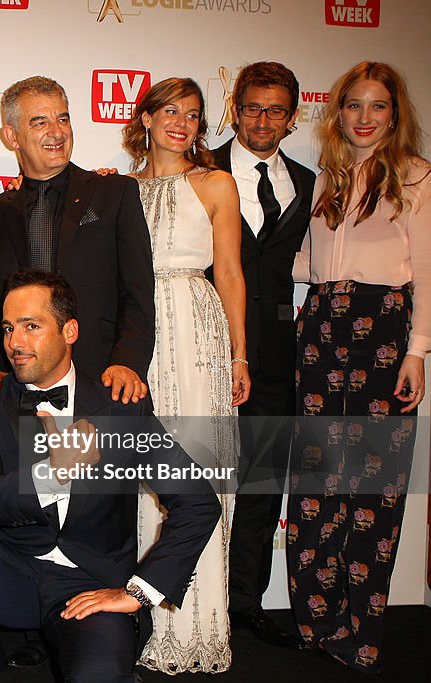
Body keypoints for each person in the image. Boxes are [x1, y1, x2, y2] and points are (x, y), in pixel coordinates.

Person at [0, 269, 220, 683]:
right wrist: (52, 475)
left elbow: (199, 502)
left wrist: (137, 592)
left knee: (97, 675)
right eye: (8, 328)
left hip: (90, 583)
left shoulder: (119, 407)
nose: (15, 343)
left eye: (31, 326)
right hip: (13, 572)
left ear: (70, 330)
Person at [288, 61, 430, 673]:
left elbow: (426, 272)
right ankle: (315, 620)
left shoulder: (418, 178)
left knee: (374, 488)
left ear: (395, 115)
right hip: (321, 328)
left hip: (384, 337)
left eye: (377, 106)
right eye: (353, 105)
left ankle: (361, 630)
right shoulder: (328, 178)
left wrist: (417, 351)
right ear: (338, 112)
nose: (364, 118)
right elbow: (304, 263)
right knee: (316, 484)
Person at [121, 77, 249, 673]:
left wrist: (240, 356)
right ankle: (140, 617)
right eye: (169, 110)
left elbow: (230, 275)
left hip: (197, 333)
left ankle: (197, 628)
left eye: (193, 115)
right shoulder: (117, 190)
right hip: (140, 335)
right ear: (144, 117)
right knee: (142, 469)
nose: (182, 122)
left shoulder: (217, 184)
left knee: (196, 471)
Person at [0, 76, 154, 408]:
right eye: (40, 122)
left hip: (105, 382)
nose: (56, 132)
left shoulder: (113, 194)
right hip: (17, 388)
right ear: (12, 136)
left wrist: (128, 362)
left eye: (63, 118)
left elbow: (137, 292)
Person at [211, 61, 315, 648]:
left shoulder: (309, 181)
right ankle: (184, 603)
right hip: (201, 348)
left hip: (276, 356)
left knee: (259, 486)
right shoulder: (201, 169)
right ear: (235, 109)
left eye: (276, 109)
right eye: (252, 107)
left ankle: (244, 603)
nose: (262, 119)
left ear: (293, 117)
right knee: (192, 483)